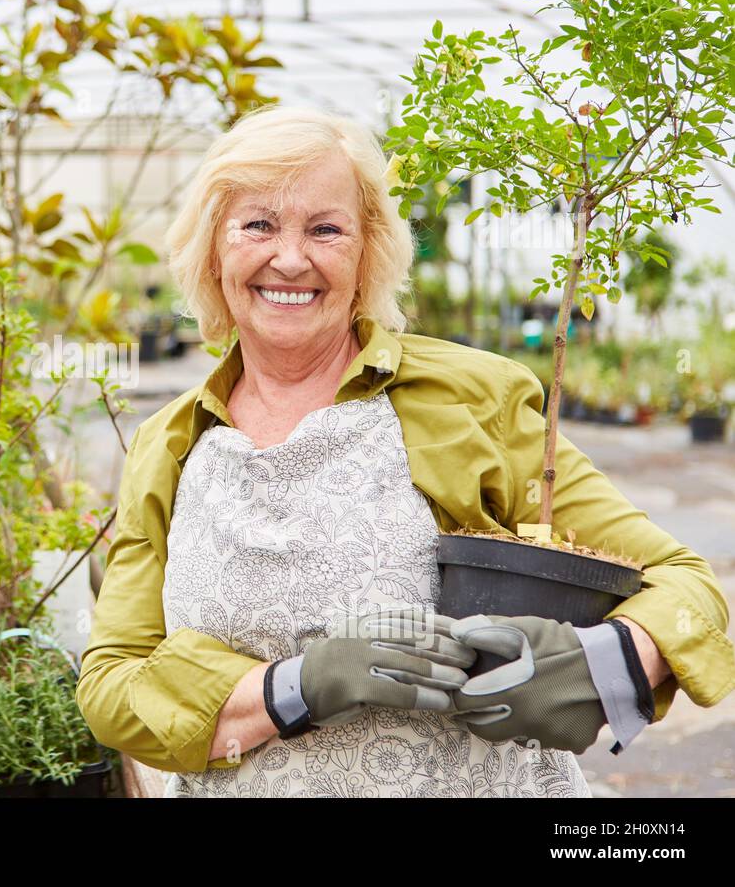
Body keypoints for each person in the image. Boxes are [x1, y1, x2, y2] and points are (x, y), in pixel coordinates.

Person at [75, 104, 735, 797]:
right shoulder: (173, 444)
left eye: (326, 229)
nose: (291, 258)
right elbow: (115, 681)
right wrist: (293, 688)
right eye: (258, 225)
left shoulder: (473, 397)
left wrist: (597, 661)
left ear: (369, 252)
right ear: (213, 250)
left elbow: (683, 585)